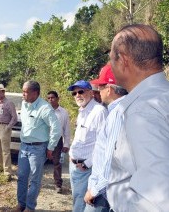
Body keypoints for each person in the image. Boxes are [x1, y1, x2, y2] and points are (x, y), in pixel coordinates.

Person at [106, 24, 169, 211]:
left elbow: (157, 200)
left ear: (123, 60)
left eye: (111, 58)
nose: (110, 64)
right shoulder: (161, 97)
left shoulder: (142, 110)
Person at [84, 64, 128, 212]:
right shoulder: (124, 110)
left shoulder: (117, 113)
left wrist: (95, 190)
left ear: (109, 89)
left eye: (100, 87)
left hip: (103, 193)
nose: (98, 92)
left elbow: (111, 159)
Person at [13, 80, 61, 212]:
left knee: (34, 179)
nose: (23, 94)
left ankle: (29, 207)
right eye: (22, 91)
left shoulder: (45, 108)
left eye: (25, 92)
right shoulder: (24, 104)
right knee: (22, 177)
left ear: (35, 93)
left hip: (38, 148)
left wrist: (51, 147)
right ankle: (21, 204)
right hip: (24, 147)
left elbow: (56, 128)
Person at [67, 80, 108, 212]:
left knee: (82, 204)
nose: (77, 95)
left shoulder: (99, 111)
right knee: (77, 200)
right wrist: (71, 156)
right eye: (74, 93)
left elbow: (104, 144)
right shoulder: (82, 111)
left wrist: (87, 164)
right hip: (75, 166)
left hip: (86, 168)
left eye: (81, 91)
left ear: (90, 92)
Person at [0, 83, 17, 180]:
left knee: (5, 150)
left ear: (3, 92)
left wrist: (8, 127)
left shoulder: (9, 103)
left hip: (4, 127)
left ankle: (7, 172)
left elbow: (14, 118)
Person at [46, 90, 70, 194]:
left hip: (57, 140)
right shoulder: (45, 110)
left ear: (57, 99)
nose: (50, 100)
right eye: (49, 98)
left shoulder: (63, 112)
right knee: (38, 161)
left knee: (57, 163)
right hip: (44, 139)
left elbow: (66, 130)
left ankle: (58, 184)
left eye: (52, 98)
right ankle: (34, 182)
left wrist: (66, 144)